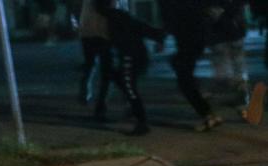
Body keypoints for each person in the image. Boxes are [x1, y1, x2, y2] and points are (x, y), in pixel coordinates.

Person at [97, 0, 166, 136]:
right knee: (120, 80)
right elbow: (141, 28)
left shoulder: (116, 17)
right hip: (132, 55)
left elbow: (140, 28)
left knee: (129, 87)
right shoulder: (114, 17)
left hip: (132, 56)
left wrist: (159, 37)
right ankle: (134, 109)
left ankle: (142, 122)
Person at [157, 0, 222, 131]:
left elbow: (168, 19)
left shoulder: (168, 4)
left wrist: (161, 38)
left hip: (189, 41)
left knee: (184, 80)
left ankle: (208, 115)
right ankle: (204, 104)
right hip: (195, 39)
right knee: (179, 67)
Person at [207, 0, 249, 106]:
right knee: (237, 63)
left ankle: (235, 91)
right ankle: (241, 93)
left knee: (223, 63)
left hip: (219, 32)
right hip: (234, 30)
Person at [76, 0, 113, 114]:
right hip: (104, 31)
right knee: (107, 70)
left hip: (87, 29)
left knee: (90, 62)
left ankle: (85, 91)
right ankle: (101, 103)